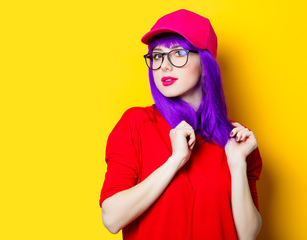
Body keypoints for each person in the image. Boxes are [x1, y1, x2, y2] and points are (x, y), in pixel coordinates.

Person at [99, 9, 263, 240]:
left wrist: (236, 163)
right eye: (157, 56)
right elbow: (112, 218)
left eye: (178, 53)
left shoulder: (238, 139)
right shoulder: (136, 124)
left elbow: (247, 235)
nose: (164, 65)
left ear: (206, 65)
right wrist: (175, 161)